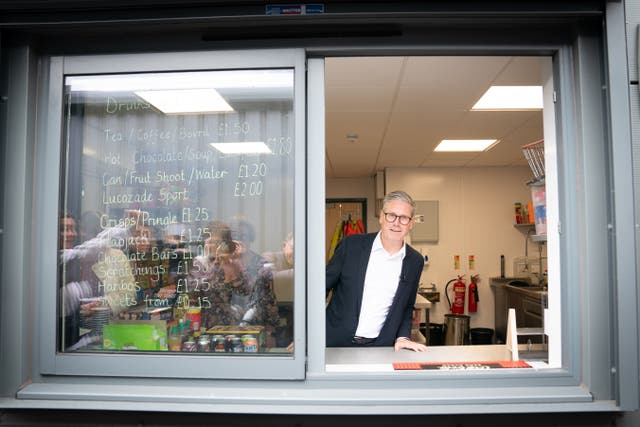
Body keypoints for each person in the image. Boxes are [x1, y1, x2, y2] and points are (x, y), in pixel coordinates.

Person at [325, 190, 427, 352]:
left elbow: (407, 305)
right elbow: (320, 289)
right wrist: (306, 333)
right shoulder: (351, 246)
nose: (396, 223)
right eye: (391, 215)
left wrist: (402, 337)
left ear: (411, 223)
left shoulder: (414, 261)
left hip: (380, 347)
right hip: (334, 342)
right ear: (381, 217)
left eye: (404, 218)